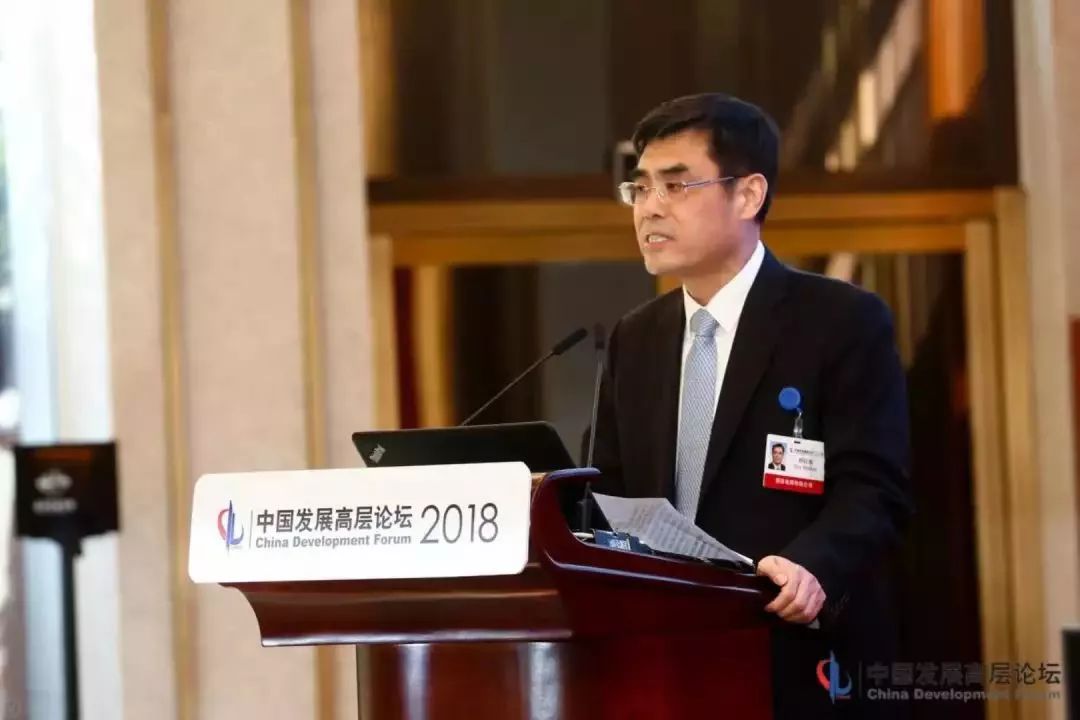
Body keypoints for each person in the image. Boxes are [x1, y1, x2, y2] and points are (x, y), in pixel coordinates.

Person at [590, 93, 913, 718]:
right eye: (640, 188)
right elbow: (610, 491)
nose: (649, 207)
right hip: (667, 665)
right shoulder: (637, 337)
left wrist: (811, 566)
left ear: (748, 194)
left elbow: (875, 488)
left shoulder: (839, 321)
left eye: (676, 185)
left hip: (799, 658)